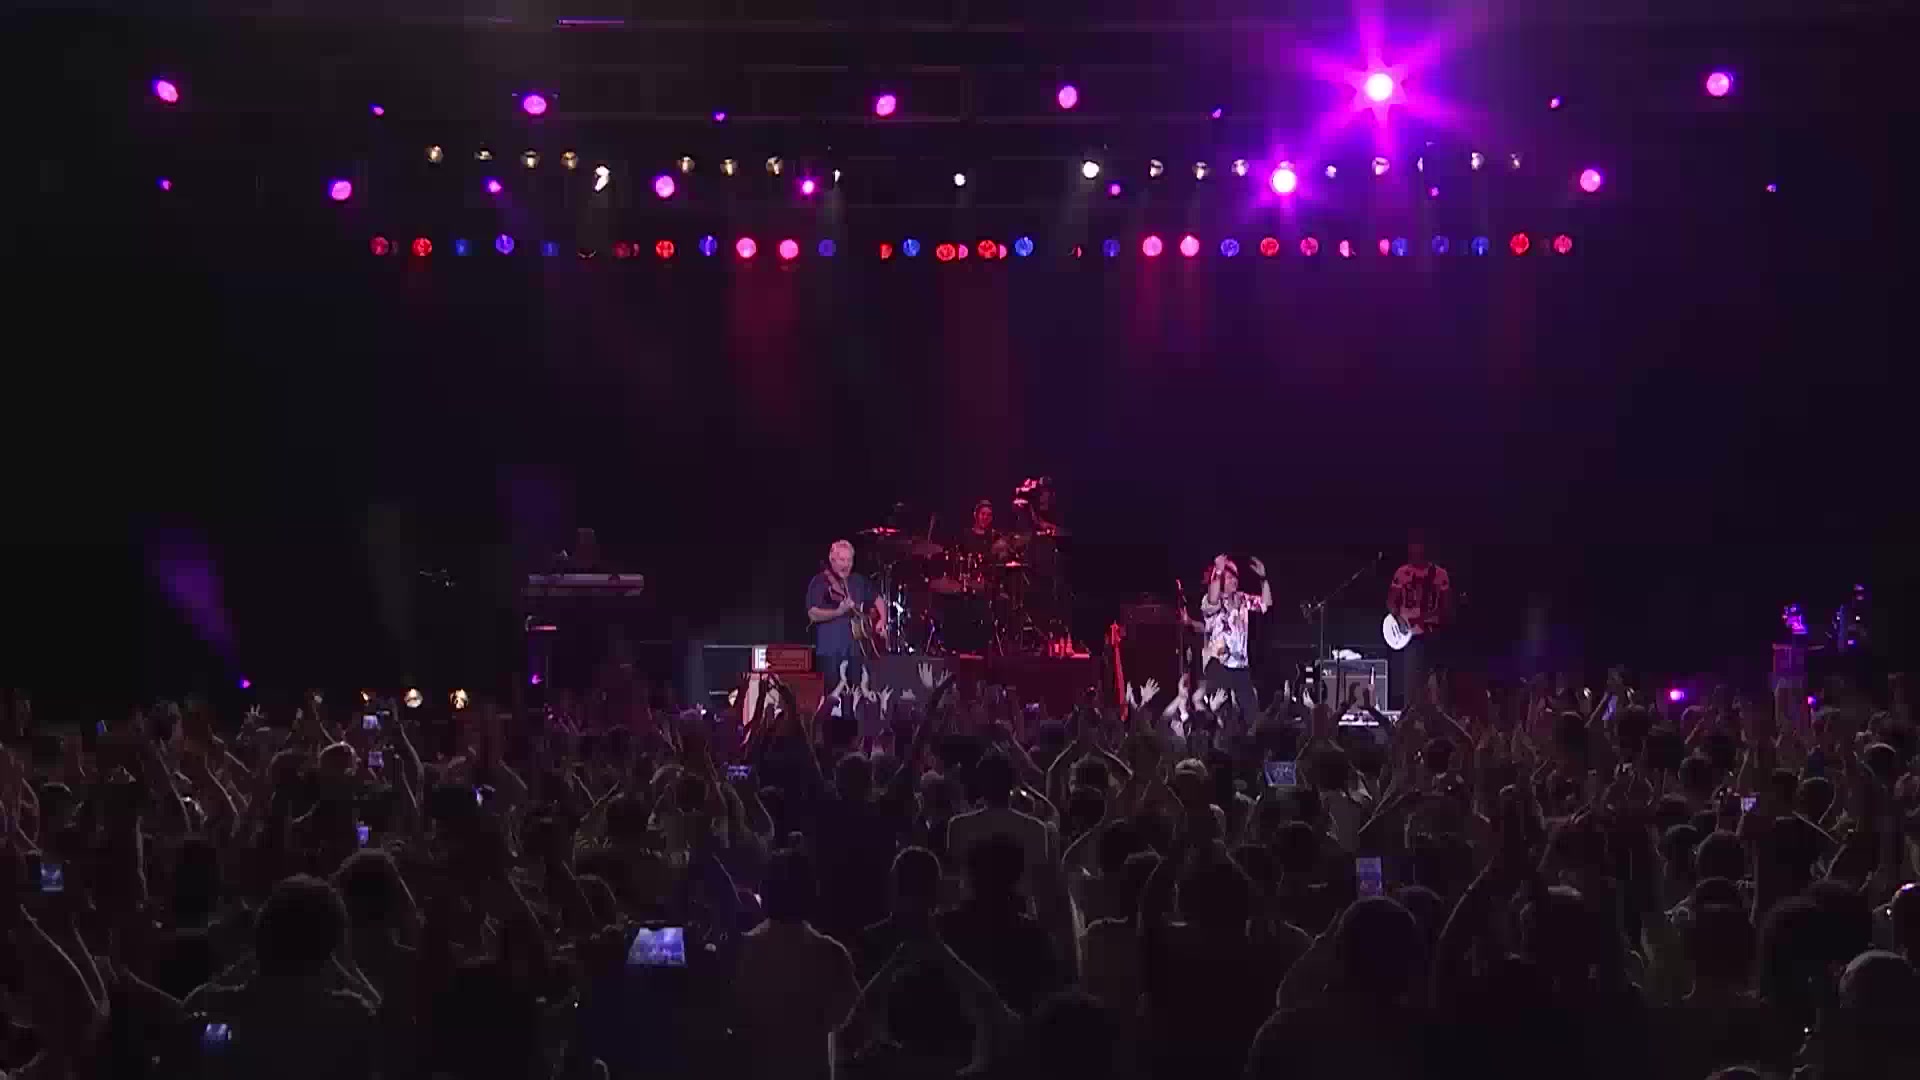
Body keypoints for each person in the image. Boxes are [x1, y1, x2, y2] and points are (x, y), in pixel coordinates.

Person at [733, 849, 862, 1080]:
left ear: (765, 892)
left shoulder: (740, 952)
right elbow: (853, 1022)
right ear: (812, 893)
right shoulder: (832, 954)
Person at [1386, 531, 1453, 711]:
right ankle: (1410, 719)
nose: (1415, 549)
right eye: (1413, 545)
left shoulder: (1440, 574)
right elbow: (1391, 602)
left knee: (1435, 688)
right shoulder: (1402, 573)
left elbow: (1447, 607)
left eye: (1419, 545)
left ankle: (1435, 719)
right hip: (1410, 637)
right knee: (1411, 688)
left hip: (1433, 635)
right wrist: (1399, 619)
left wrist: (1428, 617)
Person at [1198, 553, 1272, 716]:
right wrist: (1218, 571)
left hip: (1240, 667)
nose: (1234, 580)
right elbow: (1212, 598)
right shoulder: (1213, 601)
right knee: (1223, 714)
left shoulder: (1242, 599)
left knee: (1253, 716)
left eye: (1235, 577)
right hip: (1219, 665)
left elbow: (1266, 604)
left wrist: (1263, 578)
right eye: (1230, 577)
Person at [805, 539, 886, 682]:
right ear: (832, 560)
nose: (846, 565)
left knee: (857, 691)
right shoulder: (820, 582)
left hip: (857, 651)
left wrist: (882, 620)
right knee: (834, 692)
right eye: (842, 560)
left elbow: (878, 599)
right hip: (830, 652)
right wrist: (838, 612)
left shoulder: (858, 581)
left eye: (849, 560)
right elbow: (813, 614)